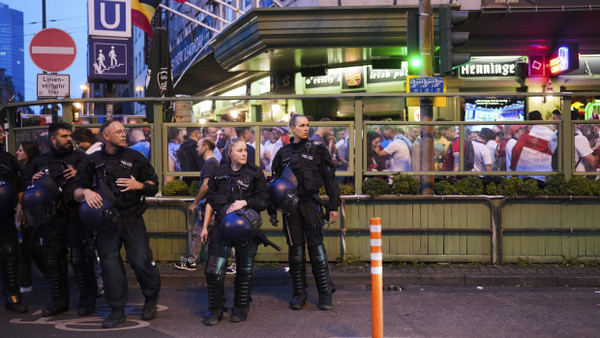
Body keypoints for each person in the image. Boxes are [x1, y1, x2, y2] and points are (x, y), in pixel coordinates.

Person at [73, 120, 160, 328]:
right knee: (110, 265)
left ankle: (150, 299)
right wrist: (86, 192)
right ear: (106, 136)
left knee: (140, 260)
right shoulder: (92, 160)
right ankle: (117, 309)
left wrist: (139, 185)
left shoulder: (136, 157)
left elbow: (154, 184)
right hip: (105, 222)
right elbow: (76, 190)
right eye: (118, 131)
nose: (123, 134)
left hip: (131, 217)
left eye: (124, 131)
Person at [269, 114, 340, 311]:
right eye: (301, 125)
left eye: (308, 125)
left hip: (311, 204)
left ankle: (325, 294)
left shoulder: (318, 150)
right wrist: (272, 210)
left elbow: (330, 181)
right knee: (296, 253)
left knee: (317, 251)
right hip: (291, 209)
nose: (306, 128)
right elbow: (274, 184)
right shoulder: (282, 153)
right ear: (292, 128)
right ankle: (299, 294)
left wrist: (333, 206)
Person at [29, 122, 97, 317]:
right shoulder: (41, 160)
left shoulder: (81, 158)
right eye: (64, 136)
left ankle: (87, 299)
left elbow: (96, 180)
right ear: (53, 139)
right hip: (51, 216)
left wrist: (79, 175)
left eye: (69, 136)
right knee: (53, 259)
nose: (69, 139)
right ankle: (59, 300)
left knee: (80, 258)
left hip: (76, 214)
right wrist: (34, 180)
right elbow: (27, 186)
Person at [200, 138, 269, 325]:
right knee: (213, 271)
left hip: (246, 229)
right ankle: (215, 310)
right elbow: (211, 201)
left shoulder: (255, 173)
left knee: (245, 272)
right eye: (239, 150)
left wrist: (245, 202)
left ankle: (241, 308)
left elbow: (264, 200)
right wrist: (205, 227)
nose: (244, 154)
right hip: (221, 228)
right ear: (229, 153)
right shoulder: (219, 173)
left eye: (245, 150)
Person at [175, 138, 219, 271]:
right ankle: (206, 260)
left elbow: (206, 186)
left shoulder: (209, 164)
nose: (196, 149)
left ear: (205, 147)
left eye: (198, 146)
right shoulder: (213, 162)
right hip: (210, 204)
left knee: (198, 232)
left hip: (207, 205)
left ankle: (192, 261)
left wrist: (194, 203)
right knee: (210, 234)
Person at [0, 125, 28, 313]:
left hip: (4, 217)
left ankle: (13, 297)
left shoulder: (8, 159)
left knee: (9, 254)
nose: (3, 135)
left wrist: (23, 210)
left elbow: (19, 187)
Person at [15, 141, 41, 294]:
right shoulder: (24, 168)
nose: (17, 152)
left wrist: (22, 210)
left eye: (20, 150)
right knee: (28, 247)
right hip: (25, 210)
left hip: (27, 211)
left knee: (27, 247)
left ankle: (25, 283)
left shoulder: (30, 169)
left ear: (28, 153)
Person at [510, 111, 554, 183]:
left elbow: (516, 151)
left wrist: (514, 169)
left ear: (529, 122)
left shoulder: (525, 136)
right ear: (542, 119)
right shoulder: (551, 134)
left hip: (530, 175)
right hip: (548, 174)